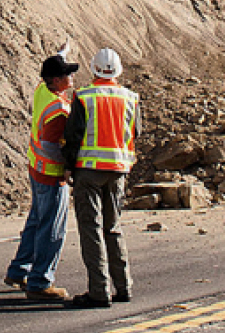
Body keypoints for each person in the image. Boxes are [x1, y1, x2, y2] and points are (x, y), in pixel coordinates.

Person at [63, 48, 141, 308]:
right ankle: (124, 286)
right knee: (113, 227)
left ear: (93, 69)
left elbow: (73, 136)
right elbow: (135, 132)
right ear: (118, 71)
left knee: (91, 229)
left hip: (89, 170)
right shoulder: (130, 98)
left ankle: (99, 290)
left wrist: (67, 167)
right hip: (118, 171)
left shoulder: (84, 97)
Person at [4, 49, 79, 301]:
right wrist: (70, 167)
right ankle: (40, 281)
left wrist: (61, 51)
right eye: (67, 74)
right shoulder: (58, 109)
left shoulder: (42, 91)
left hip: (36, 168)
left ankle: (19, 270)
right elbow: (52, 146)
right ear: (56, 80)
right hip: (50, 173)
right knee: (52, 229)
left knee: (36, 221)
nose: (72, 77)